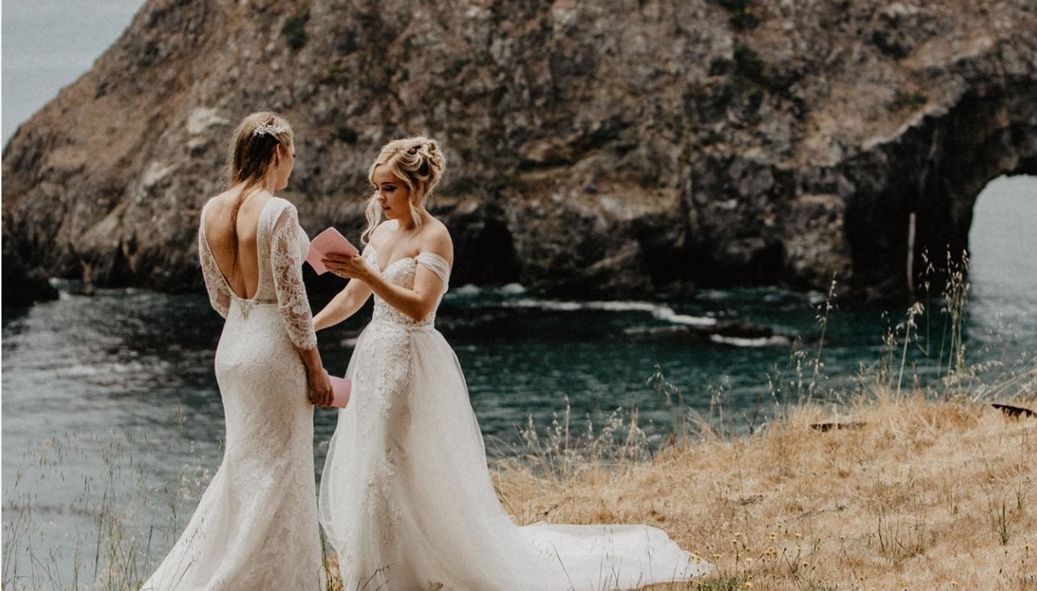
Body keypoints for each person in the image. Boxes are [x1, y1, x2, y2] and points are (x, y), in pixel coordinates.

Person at [315, 137, 710, 590]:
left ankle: (403, 576)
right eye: (377, 189)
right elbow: (352, 296)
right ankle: (377, 570)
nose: (380, 199)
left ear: (414, 187)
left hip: (408, 358)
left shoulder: (435, 236)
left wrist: (369, 275)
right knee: (369, 456)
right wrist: (310, 325)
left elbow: (421, 307)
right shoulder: (381, 234)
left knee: (388, 456)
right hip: (372, 356)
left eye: (389, 189)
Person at [142, 112, 331, 590]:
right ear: (276, 153)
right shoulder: (278, 211)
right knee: (283, 470)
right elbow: (294, 302)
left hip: (235, 349)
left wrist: (249, 326)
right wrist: (316, 368)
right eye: (292, 154)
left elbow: (218, 297)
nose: (292, 165)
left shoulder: (212, 210)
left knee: (244, 466)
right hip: (274, 348)